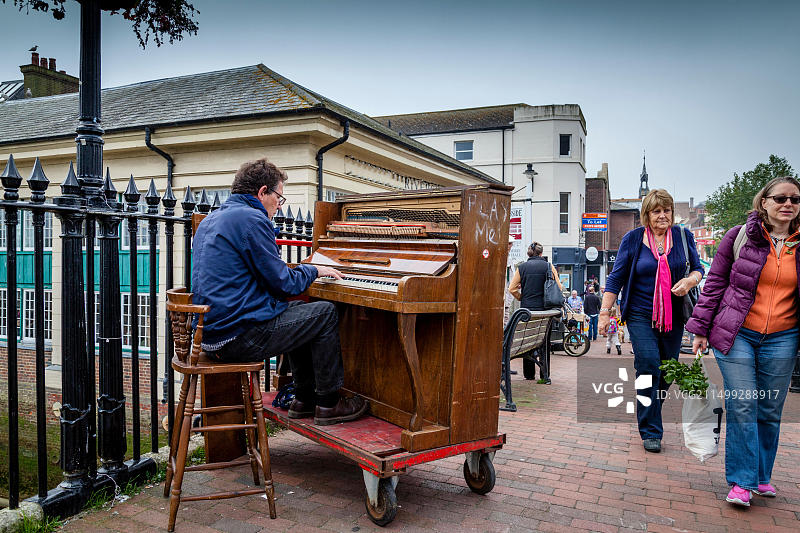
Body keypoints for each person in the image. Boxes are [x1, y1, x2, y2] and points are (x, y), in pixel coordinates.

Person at [192, 157, 369, 426]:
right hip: (238, 338)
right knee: (325, 313)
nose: (279, 205)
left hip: (212, 336)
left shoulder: (213, 219)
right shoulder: (252, 219)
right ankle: (329, 404)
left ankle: (303, 399)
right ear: (263, 192)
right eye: (278, 197)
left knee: (298, 310)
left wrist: (301, 273)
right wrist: (314, 270)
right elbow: (283, 283)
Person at [686, 177, 800, 507]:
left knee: (770, 407)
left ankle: (760, 476)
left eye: (795, 199)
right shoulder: (740, 237)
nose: (788, 204)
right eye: (780, 198)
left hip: (784, 336)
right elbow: (715, 282)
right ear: (764, 202)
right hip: (737, 333)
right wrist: (700, 329)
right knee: (744, 402)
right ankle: (741, 481)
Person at [599, 189, 704, 453]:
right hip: (640, 313)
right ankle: (651, 430)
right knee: (648, 365)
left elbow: (698, 268)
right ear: (647, 214)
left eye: (666, 210)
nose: (662, 215)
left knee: (667, 370)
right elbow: (616, 277)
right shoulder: (633, 239)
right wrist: (604, 312)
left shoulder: (683, 236)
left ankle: (651, 408)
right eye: (656, 211)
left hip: (673, 315)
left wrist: (690, 280)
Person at [507, 242, 564, 310]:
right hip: (545, 307)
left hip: (527, 309)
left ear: (529, 254)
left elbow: (512, 289)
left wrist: (521, 297)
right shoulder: (549, 266)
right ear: (541, 254)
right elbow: (559, 287)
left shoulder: (521, 267)